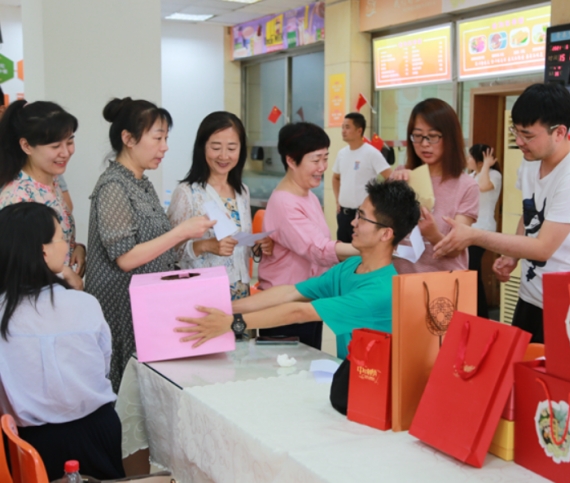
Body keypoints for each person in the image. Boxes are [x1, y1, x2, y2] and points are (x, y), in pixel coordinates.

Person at [434, 83, 570, 343]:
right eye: (516, 131)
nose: (520, 142)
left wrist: (474, 236)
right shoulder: (531, 160)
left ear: (559, 132)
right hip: (531, 295)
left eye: (528, 135)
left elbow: (543, 248)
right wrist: (512, 255)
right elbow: (529, 214)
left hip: (569, 304)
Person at [174, 180, 420, 354]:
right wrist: (223, 309)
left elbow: (299, 312)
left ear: (386, 234)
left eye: (362, 218)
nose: (353, 223)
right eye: (357, 214)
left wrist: (232, 322)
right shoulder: (352, 266)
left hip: (377, 386)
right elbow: (291, 292)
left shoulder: (382, 290)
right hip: (352, 374)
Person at [85, 97, 215, 392]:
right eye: (158, 138)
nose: (165, 147)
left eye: (166, 138)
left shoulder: (140, 182)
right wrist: (181, 232)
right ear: (128, 139)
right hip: (120, 309)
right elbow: (126, 258)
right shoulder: (114, 186)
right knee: (126, 392)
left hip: (144, 306)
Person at [0, 203, 125, 481]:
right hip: (97, 430)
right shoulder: (83, 304)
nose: (67, 245)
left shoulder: (3, 313)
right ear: (43, 251)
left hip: (28, 442)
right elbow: (102, 366)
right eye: (60, 238)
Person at [258, 122, 359, 350]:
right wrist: (368, 248)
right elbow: (318, 249)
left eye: (325, 158)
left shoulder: (309, 196)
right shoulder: (285, 203)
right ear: (291, 160)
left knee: (308, 366)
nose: (322, 167)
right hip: (283, 307)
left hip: (307, 301)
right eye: (315, 160)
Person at [168, 111, 273, 300]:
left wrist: (255, 246)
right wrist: (205, 245)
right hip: (202, 295)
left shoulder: (242, 191)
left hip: (241, 291)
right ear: (202, 147)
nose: (224, 156)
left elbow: (238, 246)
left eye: (232, 148)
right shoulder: (187, 193)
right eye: (216, 147)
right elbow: (169, 250)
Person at [0, 99, 84, 289]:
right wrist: (63, 272)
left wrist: (76, 248)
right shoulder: (18, 199)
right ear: (26, 146)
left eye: (70, 142)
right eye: (55, 146)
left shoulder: (52, 181)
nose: (65, 152)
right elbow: (18, 267)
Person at [390, 98, 479, 273]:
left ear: (450, 137)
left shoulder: (466, 186)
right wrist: (392, 190)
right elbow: (379, 228)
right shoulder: (401, 175)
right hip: (399, 279)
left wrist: (432, 234)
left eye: (433, 136)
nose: (424, 144)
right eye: (418, 136)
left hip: (443, 282)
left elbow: (456, 249)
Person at [332, 112, 392, 242]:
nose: (343, 131)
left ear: (359, 130)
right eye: (342, 127)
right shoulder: (341, 153)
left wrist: (379, 202)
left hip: (364, 216)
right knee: (342, 250)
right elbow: (335, 178)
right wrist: (337, 201)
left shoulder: (371, 153)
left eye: (347, 127)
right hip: (344, 215)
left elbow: (390, 177)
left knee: (362, 250)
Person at [467, 144, 503, 318]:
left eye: (470, 157)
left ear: (480, 161)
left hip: (483, 230)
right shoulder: (470, 175)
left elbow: (482, 186)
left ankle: (480, 316)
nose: (467, 159)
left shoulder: (494, 175)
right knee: (472, 273)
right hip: (469, 229)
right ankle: (478, 315)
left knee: (471, 273)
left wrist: (487, 165)